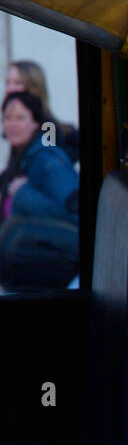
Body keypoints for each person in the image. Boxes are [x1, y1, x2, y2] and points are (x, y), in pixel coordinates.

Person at [0, 90, 80, 291]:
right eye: (7, 118)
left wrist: (23, 193)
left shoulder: (48, 160)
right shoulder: (21, 159)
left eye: (20, 118)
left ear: (36, 123)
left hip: (48, 274)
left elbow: (75, 213)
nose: (12, 124)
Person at [5, 60, 79, 165]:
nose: (10, 89)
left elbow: (51, 166)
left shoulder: (48, 127)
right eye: (8, 82)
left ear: (35, 88)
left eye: (18, 83)